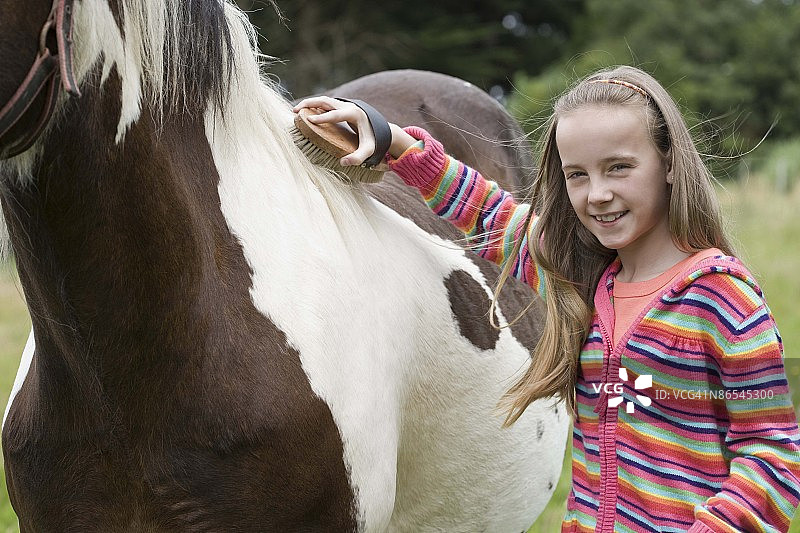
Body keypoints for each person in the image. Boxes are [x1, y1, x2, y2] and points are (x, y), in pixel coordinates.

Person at [293, 66, 800, 532]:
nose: (596, 193)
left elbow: (774, 454)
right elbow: (491, 214)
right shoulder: (586, 280)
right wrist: (392, 141)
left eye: (619, 167)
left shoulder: (720, 298)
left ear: (669, 165)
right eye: (577, 174)